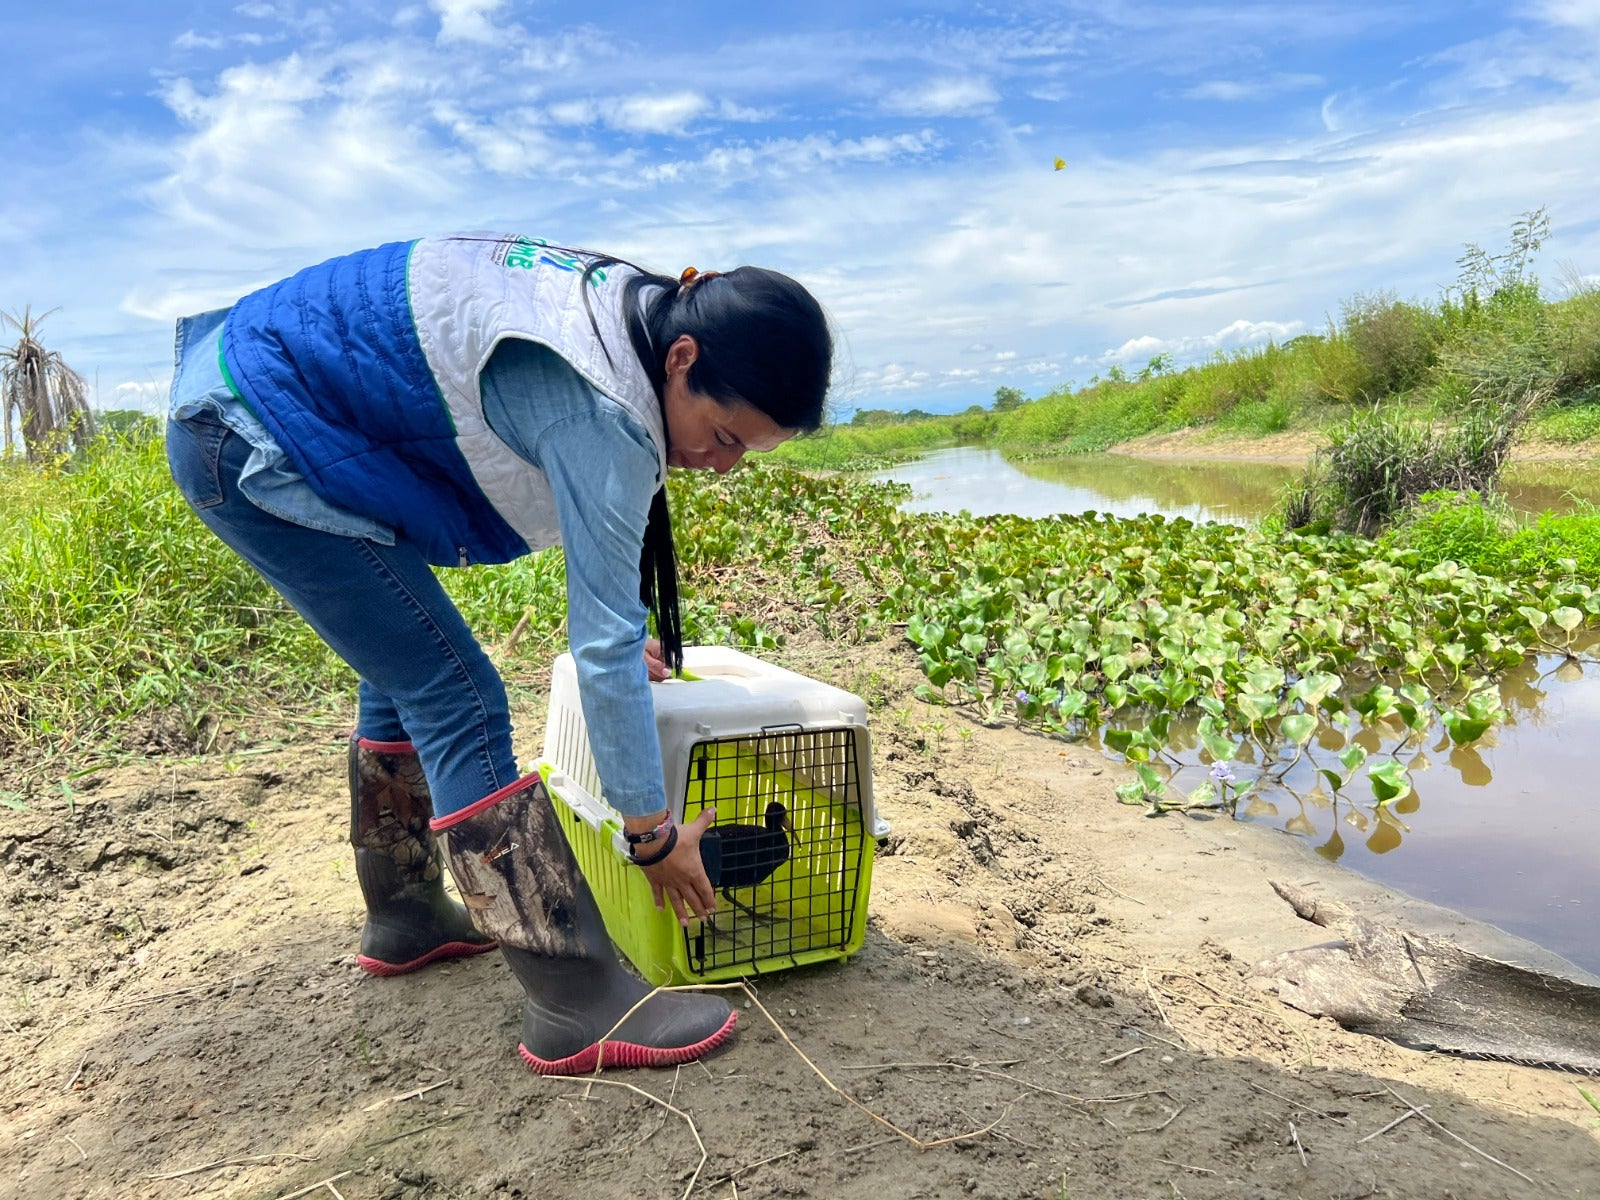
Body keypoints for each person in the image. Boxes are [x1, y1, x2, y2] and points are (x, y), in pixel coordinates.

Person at [164, 232, 831, 1076]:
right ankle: (573, 995)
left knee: (401, 665)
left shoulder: (633, 320)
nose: (721, 465)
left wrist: (619, 633)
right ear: (684, 360)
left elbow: (605, 610)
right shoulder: (609, 406)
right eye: (725, 435)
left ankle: (405, 917)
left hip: (255, 397)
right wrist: (653, 839)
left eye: (747, 452)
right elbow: (601, 649)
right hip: (254, 434)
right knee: (458, 696)